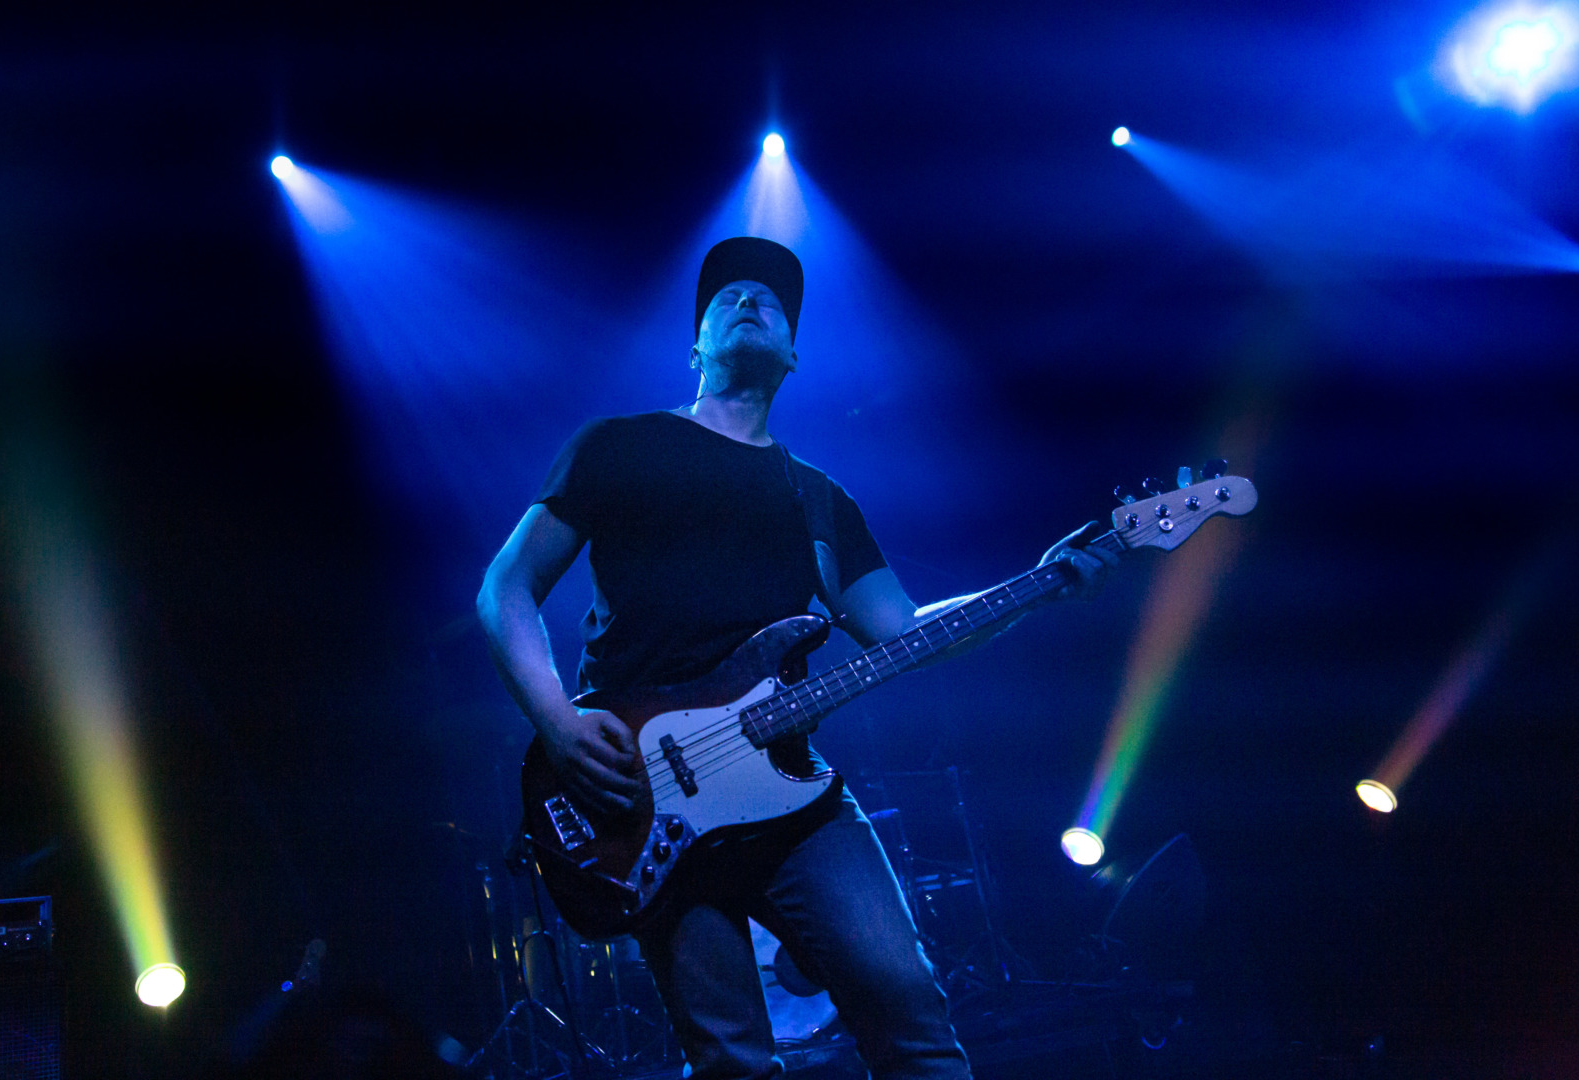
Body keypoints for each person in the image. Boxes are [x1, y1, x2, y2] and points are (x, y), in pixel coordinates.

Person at [477, 237, 1117, 1080]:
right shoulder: (616, 446)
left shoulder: (819, 498)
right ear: (695, 347)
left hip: (791, 792)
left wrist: (1036, 585)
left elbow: (903, 629)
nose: (750, 300)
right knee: (731, 1057)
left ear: (793, 357)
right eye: (727, 296)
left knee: (911, 1013)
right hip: (644, 795)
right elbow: (506, 586)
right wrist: (559, 724)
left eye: (771, 301)